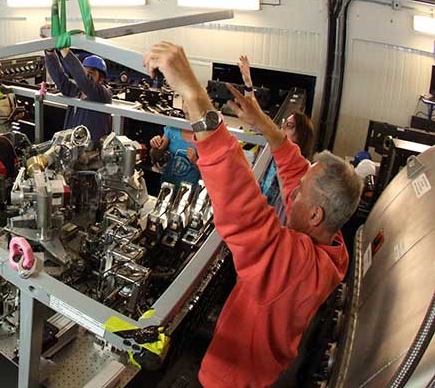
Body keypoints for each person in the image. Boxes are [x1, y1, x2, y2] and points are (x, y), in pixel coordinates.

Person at [143, 42, 361, 388]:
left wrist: (195, 95)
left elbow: (244, 211)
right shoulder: (334, 248)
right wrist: (268, 127)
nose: (293, 191)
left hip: (232, 378)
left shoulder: (295, 266)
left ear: (316, 215)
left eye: (302, 190)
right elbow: (294, 168)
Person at [238, 55, 315, 158]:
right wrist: (248, 84)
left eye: (289, 125)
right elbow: (255, 113)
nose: (282, 126)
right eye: (285, 123)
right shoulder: (274, 144)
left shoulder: (292, 167)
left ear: (301, 138)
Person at [43, 48, 113, 144]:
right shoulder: (76, 91)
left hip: (91, 152)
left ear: (101, 79)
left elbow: (85, 80)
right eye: (85, 71)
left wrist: (64, 50)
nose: (87, 75)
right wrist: (50, 52)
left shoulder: (103, 95)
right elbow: (59, 78)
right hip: (70, 147)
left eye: (91, 73)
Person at [149, 102, 202, 187]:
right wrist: (155, 147)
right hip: (167, 187)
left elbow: (212, 174)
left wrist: (195, 162)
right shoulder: (173, 127)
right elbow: (155, 157)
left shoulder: (205, 135)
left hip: (188, 192)